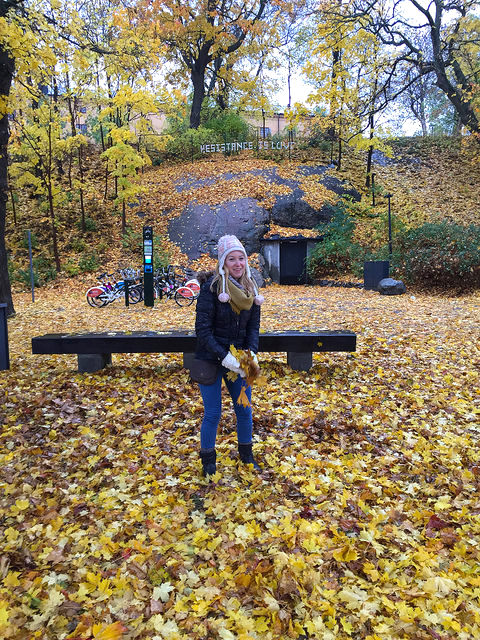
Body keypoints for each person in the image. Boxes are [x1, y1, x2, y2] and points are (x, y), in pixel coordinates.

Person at [194, 235, 264, 476]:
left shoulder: (251, 290)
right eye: (231, 259)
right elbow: (202, 330)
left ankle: (247, 457)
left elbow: (253, 327)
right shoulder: (211, 289)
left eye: (241, 258)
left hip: (241, 357)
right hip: (211, 358)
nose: (237, 263)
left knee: (244, 410)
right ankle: (208, 463)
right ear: (223, 263)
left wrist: (251, 353)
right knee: (213, 413)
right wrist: (225, 357)